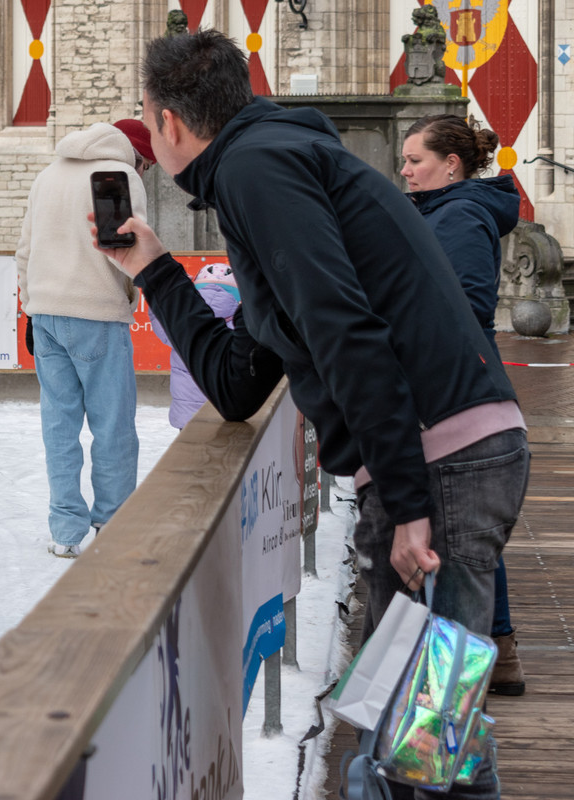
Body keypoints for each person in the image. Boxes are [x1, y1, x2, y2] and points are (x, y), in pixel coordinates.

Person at [98, 31, 528, 800]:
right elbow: (242, 378)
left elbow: (347, 331)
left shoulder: (259, 171)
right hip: (440, 458)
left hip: (446, 465)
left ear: (167, 123)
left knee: (418, 746)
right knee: (428, 736)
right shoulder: (264, 170)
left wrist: (406, 503)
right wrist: (157, 271)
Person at [401, 113, 525, 696]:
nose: (404, 171)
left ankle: (450, 723)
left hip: (459, 399)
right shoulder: (445, 212)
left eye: (415, 161)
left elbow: (470, 305)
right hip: (461, 394)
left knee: (467, 540)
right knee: (468, 539)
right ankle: (494, 657)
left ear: (451, 165)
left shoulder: (460, 214)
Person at [15, 119, 152, 557]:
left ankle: (64, 529)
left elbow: (25, 249)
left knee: (60, 426)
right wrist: (127, 299)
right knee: (112, 428)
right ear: (140, 156)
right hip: (96, 311)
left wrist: (30, 304)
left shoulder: (48, 173)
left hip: (46, 314)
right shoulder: (117, 176)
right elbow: (126, 250)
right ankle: (111, 525)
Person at [149, 262, 240, 429]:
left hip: (187, 417)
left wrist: (179, 291)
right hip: (225, 412)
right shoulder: (239, 327)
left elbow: (159, 314)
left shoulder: (184, 322)